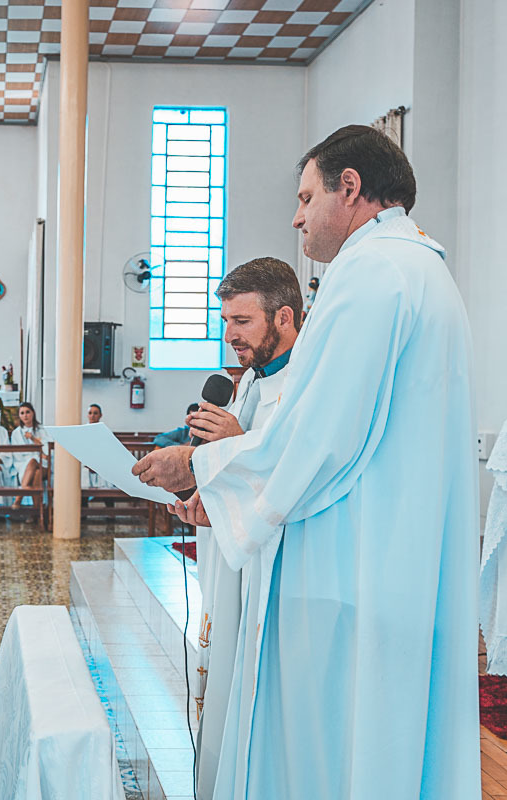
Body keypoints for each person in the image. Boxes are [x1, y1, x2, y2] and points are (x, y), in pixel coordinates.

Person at [133, 125, 480, 799]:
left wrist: (200, 468)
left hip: (345, 565)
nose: (296, 217)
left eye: (305, 196)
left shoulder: (372, 273)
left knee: (326, 750)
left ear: (349, 189)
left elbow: (321, 434)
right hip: (387, 557)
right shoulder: (423, 270)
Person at [179, 256, 302, 798]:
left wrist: (233, 441)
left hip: (277, 573)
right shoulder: (251, 380)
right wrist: (198, 495)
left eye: (242, 322)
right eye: (226, 321)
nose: (230, 335)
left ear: (284, 318)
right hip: (232, 561)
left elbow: (291, 472)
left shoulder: (308, 382)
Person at [9, 401, 47, 509]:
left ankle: (18, 498)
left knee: (33, 461)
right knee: (36, 474)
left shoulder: (42, 430)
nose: (25, 415)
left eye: (27, 412)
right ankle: (37, 512)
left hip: (43, 464)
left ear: (33, 413)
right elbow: (17, 454)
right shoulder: (17, 433)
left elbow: (47, 452)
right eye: (22, 413)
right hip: (24, 464)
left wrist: (33, 439)